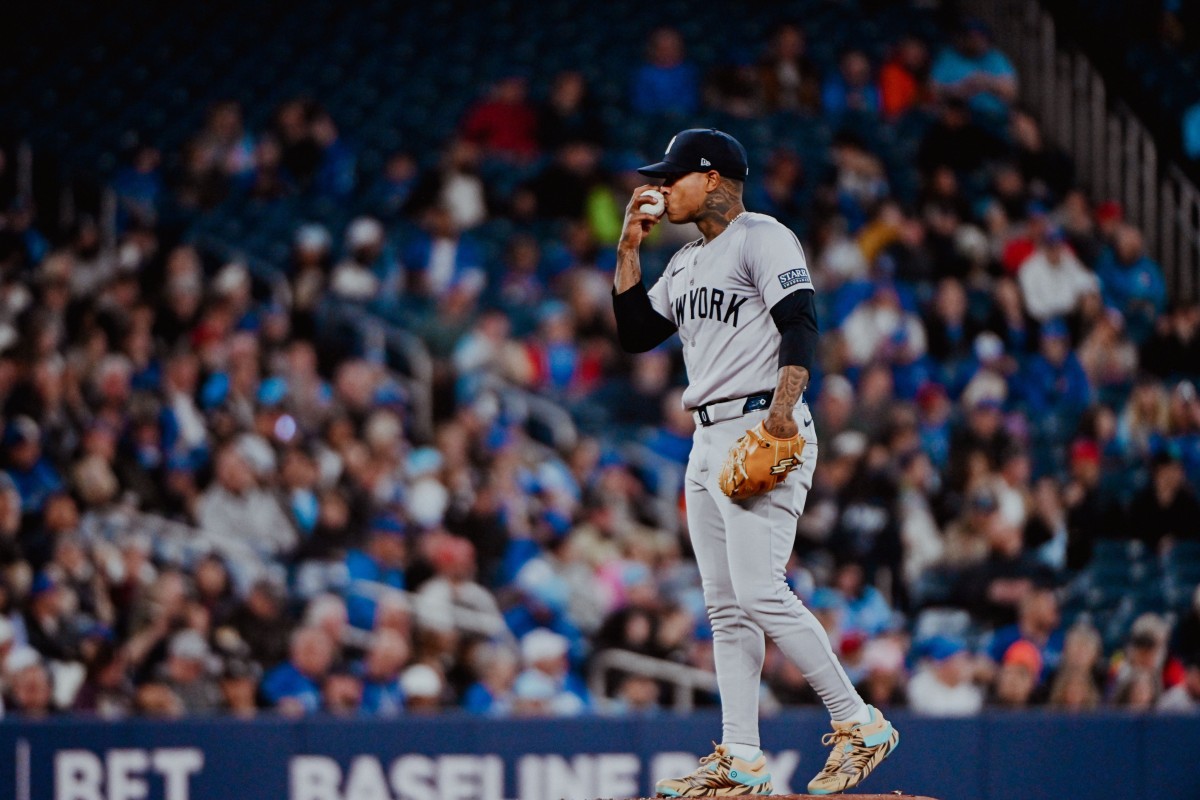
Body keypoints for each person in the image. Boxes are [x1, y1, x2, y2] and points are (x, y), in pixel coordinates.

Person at [611, 128, 897, 795]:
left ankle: (860, 722)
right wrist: (628, 247)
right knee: (725, 606)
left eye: (671, 176)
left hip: (762, 419)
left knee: (760, 591)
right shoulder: (683, 263)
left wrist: (779, 415)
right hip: (706, 436)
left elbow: (801, 322)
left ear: (711, 177)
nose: (658, 188)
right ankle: (741, 756)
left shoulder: (763, 236)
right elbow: (634, 334)